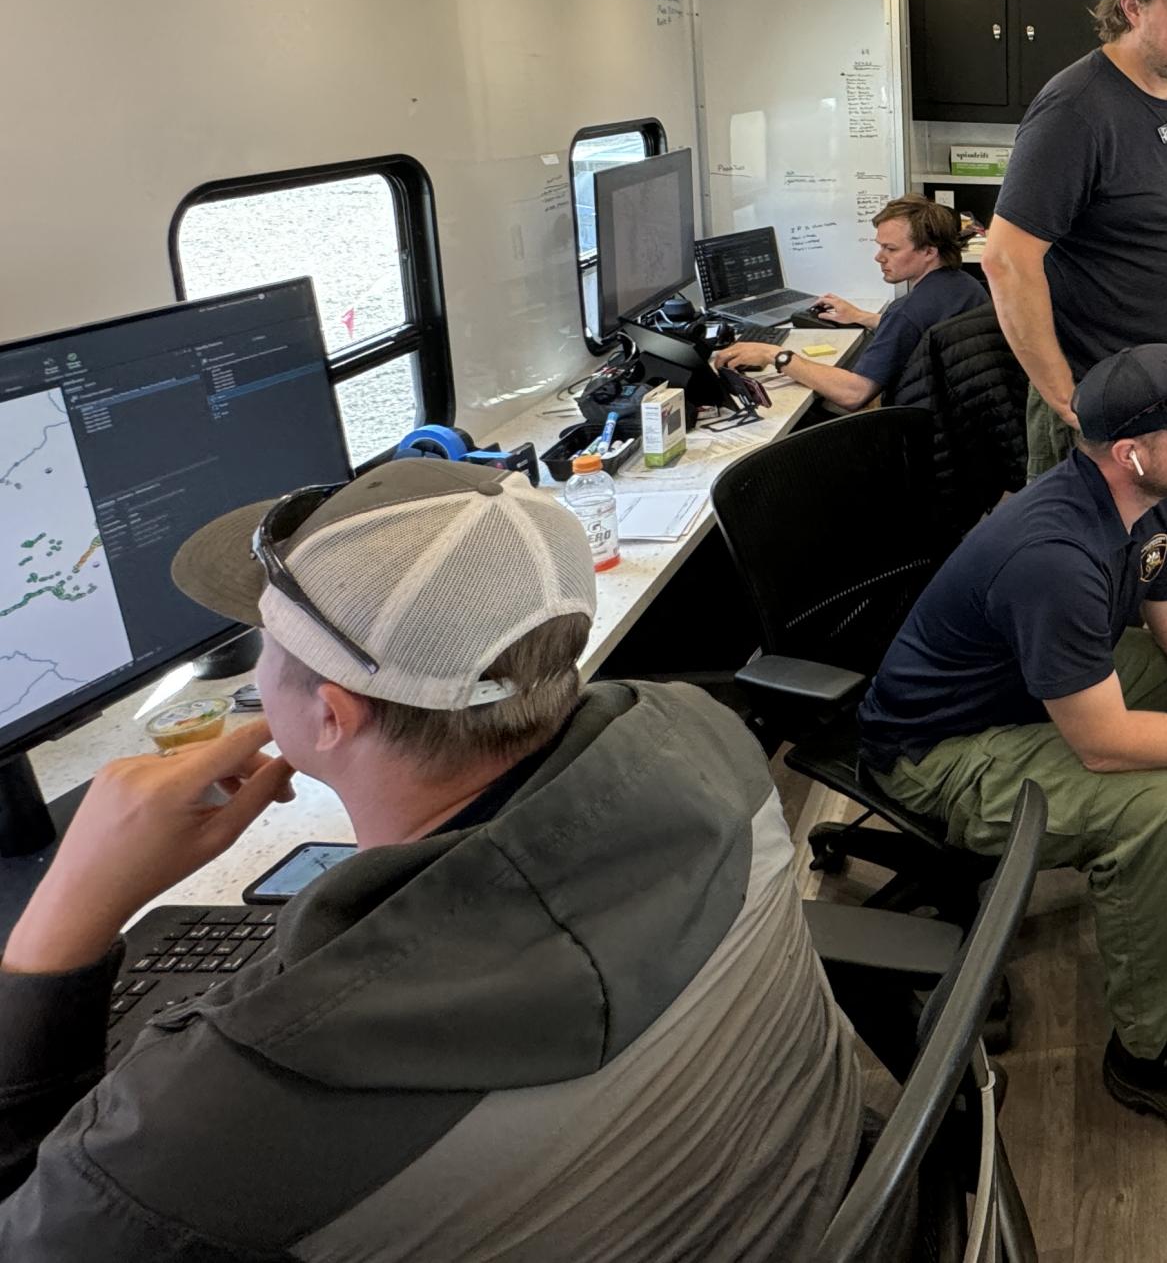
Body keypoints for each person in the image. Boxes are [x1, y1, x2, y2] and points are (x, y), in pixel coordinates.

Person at [0, 461, 867, 1259]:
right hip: (830, 1197)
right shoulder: (706, 736)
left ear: (331, 717)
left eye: (266, 647)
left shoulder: (215, 1117)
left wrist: (65, 920)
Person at [858, 343, 1167, 1148]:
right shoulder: (1055, 555)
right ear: (1131, 451)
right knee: (1146, 805)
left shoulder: (1149, 499)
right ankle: (1150, 1053)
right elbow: (1109, 745)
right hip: (938, 752)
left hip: (1029, 700)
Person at [983, 0, 1167, 645]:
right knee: (1093, 588)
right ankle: (1101, 729)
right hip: (1111, 412)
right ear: (1131, 8)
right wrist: (1063, 396)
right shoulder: (1077, 108)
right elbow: (1007, 259)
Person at [716, 193, 988, 407]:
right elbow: (922, 336)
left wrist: (775, 354)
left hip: (922, 437)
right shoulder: (966, 286)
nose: (879, 257)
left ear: (929, 251)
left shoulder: (907, 311)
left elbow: (854, 394)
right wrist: (863, 317)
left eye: (890, 249)